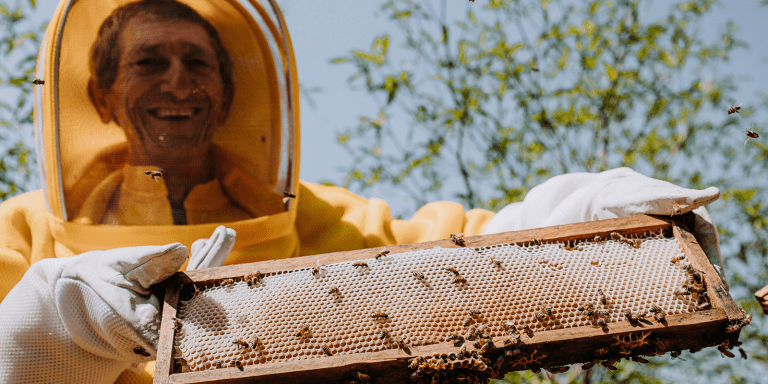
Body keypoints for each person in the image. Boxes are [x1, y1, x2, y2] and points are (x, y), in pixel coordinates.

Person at [0, 0, 724, 383]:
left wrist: (586, 221)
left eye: (198, 62)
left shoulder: (317, 222)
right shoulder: (20, 234)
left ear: (228, 92)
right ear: (101, 92)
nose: (178, 83)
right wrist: (42, 334)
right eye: (148, 62)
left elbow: (467, 257)